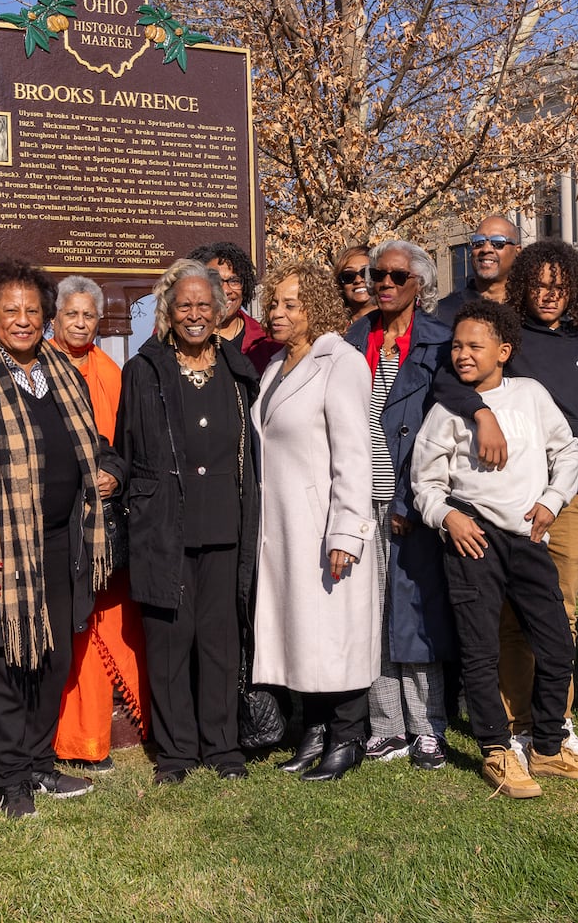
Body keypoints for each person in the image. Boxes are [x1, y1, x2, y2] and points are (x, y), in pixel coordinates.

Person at [0, 258, 123, 817]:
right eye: (10, 310)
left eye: (32, 310)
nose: (22, 320)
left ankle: (40, 761)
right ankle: (9, 776)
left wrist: (111, 469)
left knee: (53, 658)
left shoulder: (63, 372)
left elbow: (96, 444)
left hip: (65, 542)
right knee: (3, 665)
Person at [412, 300, 578, 796]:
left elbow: (567, 449)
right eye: (456, 345)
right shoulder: (446, 412)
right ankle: (497, 751)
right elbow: (425, 484)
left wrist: (551, 501)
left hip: (529, 537)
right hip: (473, 539)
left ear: (502, 351)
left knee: (557, 643)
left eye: (474, 346)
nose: (462, 354)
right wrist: (448, 517)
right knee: (480, 650)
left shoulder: (529, 395)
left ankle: (547, 746)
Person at [119, 260, 260, 784]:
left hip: (225, 523)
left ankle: (222, 748)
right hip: (165, 529)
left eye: (205, 304)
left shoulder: (238, 369)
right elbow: (129, 449)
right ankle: (176, 753)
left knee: (221, 643)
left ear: (220, 309)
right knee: (170, 644)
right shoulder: (145, 369)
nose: (196, 314)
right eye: (185, 305)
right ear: (169, 311)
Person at [252, 258, 379, 783]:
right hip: (282, 525)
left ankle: (348, 733)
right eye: (273, 304)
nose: (276, 313)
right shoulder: (275, 366)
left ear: (318, 308)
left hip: (324, 522)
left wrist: (347, 530)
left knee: (334, 630)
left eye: (289, 304)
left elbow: (355, 455)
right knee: (303, 630)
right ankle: (314, 729)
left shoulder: (341, 363)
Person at [343, 240, 456, 769]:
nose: (382, 284)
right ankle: (386, 727)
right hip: (359, 498)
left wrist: (412, 501)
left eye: (395, 276)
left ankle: (428, 726)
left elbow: (444, 429)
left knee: (414, 614)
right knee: (370, 615)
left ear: (420, 285)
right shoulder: (352, 339)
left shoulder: (437, 342)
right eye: (375, 275)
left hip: (409, 500)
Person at [47, 275, 148, 774]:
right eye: (72, 315)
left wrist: (114, 473)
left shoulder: (112, 370)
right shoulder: (40, 367)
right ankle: (74, 737)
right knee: (74, 626)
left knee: (114, 620)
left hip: (110, 515)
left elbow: (127, 442)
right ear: (56, 317)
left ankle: (124, 723)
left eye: (89, 315)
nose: (82, 323)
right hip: (58, 518)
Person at [196, 241, 282, 373]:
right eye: (215, 281)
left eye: (234, 281)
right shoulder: (179, 336)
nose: (225, 290)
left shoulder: (267, 343)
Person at [434, 215, 520, 322]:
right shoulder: (442, 313)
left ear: (517, 251)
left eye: (498, 242)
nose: (486, 249)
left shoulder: (532, 310)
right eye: (478, 241)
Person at [333, 244, 374, 324]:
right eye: (348, 276)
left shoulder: (395, 323)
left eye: (366, 273)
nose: (358, 280)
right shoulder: (334, 330)